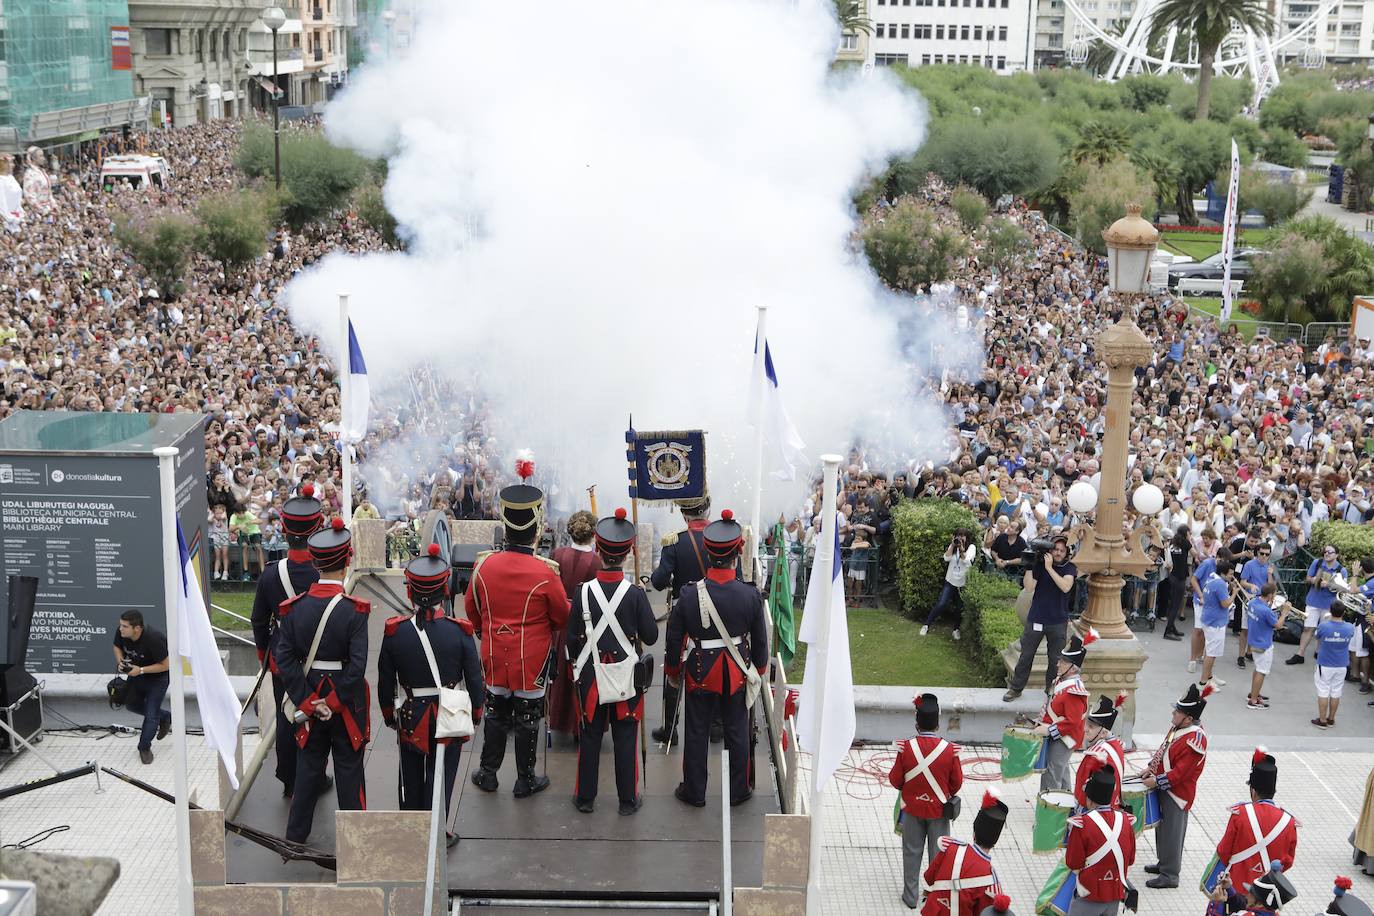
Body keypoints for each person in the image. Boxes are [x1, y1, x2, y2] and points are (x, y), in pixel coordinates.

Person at [466, 484, 571, 797]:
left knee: (496, 712)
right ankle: (525, 779)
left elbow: (472, 609)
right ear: (536, 528)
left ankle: (488, 773)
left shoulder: (483, 565)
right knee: (528, 716)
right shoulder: (546, 573)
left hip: (495, 652)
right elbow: (562, 617)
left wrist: (484, 631)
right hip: (532, 657)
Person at [377, 544, 485, 848]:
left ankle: (413, 830)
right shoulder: (460, 632)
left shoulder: (395, 633)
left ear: (410, 593)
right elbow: (474, 679)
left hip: (412, 714)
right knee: (443, 774)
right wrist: (476, 712)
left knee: (411, 775)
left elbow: (386, 681)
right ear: (446, 591)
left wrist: (389, 714)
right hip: (447, 714)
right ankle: (437, 831)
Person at [273, 518, 371, 844]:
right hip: (344, 702)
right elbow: (357, 666)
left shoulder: (293, 610)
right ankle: (353, 843)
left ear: (316, 563)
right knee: (348, 770)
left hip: (309, 696)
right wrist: (331, 703)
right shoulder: (355, 611)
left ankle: (294, 841)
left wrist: (307, 702)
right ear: (346, 563)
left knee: (308, 770)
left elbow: (284, 659)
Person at [664, 509, 768, 808]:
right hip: (736, 671)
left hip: (699, 671)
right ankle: (739, 791)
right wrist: (757, 670)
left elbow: (674, 639)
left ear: (709, 553)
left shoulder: (688, 594)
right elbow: (760, 642)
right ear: (738, 553)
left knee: (696, 732)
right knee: (737, 730)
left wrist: (673, 670)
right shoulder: (750, 596)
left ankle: (694, 792)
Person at [567, 508, 658, 815]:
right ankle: (627, 801)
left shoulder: (582, 593)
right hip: (625, 675)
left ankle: (585, 798)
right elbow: (652, 635)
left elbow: (571, 638)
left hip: (591, 675)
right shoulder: (635, 594)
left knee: (591, 737)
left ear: (599, 550)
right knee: (625, 737)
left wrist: (576, 671)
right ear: (628, 553)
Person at [249, 484, 323, 798]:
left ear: (284, 529)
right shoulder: (324, 573)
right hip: (321, 656)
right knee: (316, 719)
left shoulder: (270, 575)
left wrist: (265, 655)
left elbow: (258, 620)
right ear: (318, 528)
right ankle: (314, 778)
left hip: (283, 659)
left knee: (285, 716)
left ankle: (290, 779)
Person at [888, 692, 964, 909]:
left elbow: (895, 780)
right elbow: (956, 783)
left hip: (912, 809)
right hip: (939, 811)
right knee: (939, 855)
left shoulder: (906, 748)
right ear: (938, 724)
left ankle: (910, 897)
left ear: (916, 723)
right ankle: (934, 898)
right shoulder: (950, 751)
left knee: (911, 852)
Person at [650, 495, 712, 745]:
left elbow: (659, 581)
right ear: (707, 509)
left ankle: (670, 728)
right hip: (716, 612)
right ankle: (716, 725)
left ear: (684, 513)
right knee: (715, 660)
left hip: (682, 613)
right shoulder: (720, 536)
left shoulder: (675, 541)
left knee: (673, 665)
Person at [1140, 682, 1213, 889]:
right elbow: (1163, 750)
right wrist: (1150, 769)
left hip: (1177, 793)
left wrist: (1157, 780)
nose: (1173, 713)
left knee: (1172, 832)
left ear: (1188, 718)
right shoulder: (1177, 727)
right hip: (1165, 787)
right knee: (1161, 829)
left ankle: (1170, 875)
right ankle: (1164, 863)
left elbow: (1182, 772)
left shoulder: (1196, 739)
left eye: (1178, 711)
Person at [1214, 749, 1298, 896]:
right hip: (1268, 894)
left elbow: (1223, 851)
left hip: (1236, 889)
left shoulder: (1240, 814)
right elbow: (1288, 861)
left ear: (1253, 790)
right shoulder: (1289, 822)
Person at [548, 509, 601, 741]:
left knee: (560, 671)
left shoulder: (557, 554)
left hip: (560, 621)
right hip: (585, 623)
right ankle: (581, 722)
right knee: (582, 673)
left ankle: (558, 718)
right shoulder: (597, 561)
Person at [1003, 536, 1077, 702]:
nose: (1057, 553)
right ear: (1049, 550)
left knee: (1055, 660)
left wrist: (1050, 568)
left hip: (1058, 621)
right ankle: (1015, 689)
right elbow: (1029, 587)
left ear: (1066, 553)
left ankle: (1051, 691)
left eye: (1061, 550)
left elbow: (1065, 587)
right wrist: (1030, 565)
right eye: (1055, 549)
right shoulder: (1040, 565)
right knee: (1026, 655)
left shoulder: (1069, 568)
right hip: (1036, 618)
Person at [919, 790, 1008, 916]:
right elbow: (984, 913)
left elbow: (928, 878)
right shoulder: (990, 880)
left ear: (974, 833)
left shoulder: (950, 847)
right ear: (995, 842)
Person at [1064, 766, 1136, 916]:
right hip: (1115, 895)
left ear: (1089, 799)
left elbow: (1073, 862)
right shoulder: (1125, 820)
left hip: (1088, 894)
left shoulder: (1082, 823)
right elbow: (1130, 859)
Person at [1031, 629, 1093, 793]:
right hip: (1059, 733)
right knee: (1061, 770)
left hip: (1066, 738)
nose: (1058, 664)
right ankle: (1066, 804)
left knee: (1051, 772)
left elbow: (1072, 722)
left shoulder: (1074, 691)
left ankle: (1051, 809)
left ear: (1073, 668)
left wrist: (1049, 730)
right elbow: (1051, 705)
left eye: (1063, 662)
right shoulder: (1061, 680)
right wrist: (1041, 721)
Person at [111, 610, 172, 765]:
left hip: (158, 677)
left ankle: (144, 747)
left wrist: (142, 670)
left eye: (125, 626)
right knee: (131, 704)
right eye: (120, 625)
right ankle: (165, 716)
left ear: (137, 628)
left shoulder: (153, 638)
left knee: (151, 716)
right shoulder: (122, 633)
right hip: (136, 674)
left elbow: (166, 665)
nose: (120, 629)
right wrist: (120, 662)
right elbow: (116, 646)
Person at [1290, 545, 1347, 665]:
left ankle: (1319, 651)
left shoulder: (1341, 570)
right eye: (1325, 551)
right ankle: (1300, 654)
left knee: (1324, 630)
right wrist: (1315, 580)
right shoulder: (1317, 563)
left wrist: (1331, 585)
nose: (1326, 554)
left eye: (1330, 552)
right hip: (1313, 601)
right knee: (1307, 628)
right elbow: (1308, 578)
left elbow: (1344, 589)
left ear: (1336, 555)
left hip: (1329, 605)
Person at [1073, 694, 1126, 811]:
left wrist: (1079, 811)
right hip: (1112, 806)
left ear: (1103, 733)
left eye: (1091, 727)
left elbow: (1085, 787)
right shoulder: (1117, 745)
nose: (1085, 729)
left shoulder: (1096, 756)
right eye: (1087, 724)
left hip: (1092, 810)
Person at [922, 528, 975, 640]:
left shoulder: (971, 547)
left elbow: (968, 562)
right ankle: (926, 625)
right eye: (958, 535)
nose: (960, 538)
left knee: (959, 608)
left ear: (967, 537)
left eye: (963, 536)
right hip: (950, 581)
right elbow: (946, 558)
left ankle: (956, 629)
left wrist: (961, 549)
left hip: (962, 583)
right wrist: (952, 546)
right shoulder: (953, 546)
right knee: (941, 603)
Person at [1312, 602, 1357, 729]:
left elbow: (1317, 637)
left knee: (1323, 691)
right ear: (1344, 613)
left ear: (1330, 611)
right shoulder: (1349, 627)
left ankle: (1322, 720)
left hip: (1325, 663)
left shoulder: (1324, 626)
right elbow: (1350, 635)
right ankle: (1331, 719)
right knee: (1336, 692)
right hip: (1342, 664)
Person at [1199, 558, 1241, 690]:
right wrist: (1234, 593)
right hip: (1215, 623)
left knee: (1209, 651)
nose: (1232, 576)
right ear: (1223, 573)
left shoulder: (1212, 577)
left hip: (1208, 619)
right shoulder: (1220, 584)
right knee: (1211, 654)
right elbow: (1225, 604)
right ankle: (1204, 682)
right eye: (1230, 574)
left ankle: (1209, 676)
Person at [1245, 583, 1286, 710]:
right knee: (1261, 672)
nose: (1275, 596)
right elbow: (1278, 625)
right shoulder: (1266, 611)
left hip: (1253, 641)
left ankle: (1254, 693)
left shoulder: (1252, 603)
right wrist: (1285, 613)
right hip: (1264, 644)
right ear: (1269, 595)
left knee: (1257, 668)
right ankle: (1253, 701)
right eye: (1274, 594)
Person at [1237, 541, 1275, 669]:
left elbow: (1271, 587)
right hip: (1251, 599)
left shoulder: (1270, 566)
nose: (1264, 556)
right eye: (1262, 553)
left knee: (1255, 629)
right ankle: (1241, 656)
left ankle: (1249, 652)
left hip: (1263, 601)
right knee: (1245, 629)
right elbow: (1242, 582)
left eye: (1267, 554)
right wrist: (1251, 585)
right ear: (1257, 553)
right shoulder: (1249, 564)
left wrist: (1270, 574)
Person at [1206, 865, 1297, 916]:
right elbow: (1242, 904)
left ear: (1260, 904)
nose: (1246, 894)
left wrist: (1216, 902)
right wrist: (1228, 888)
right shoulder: (1269, 913)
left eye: (1251, 893)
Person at [1162, 525, 1192, 641]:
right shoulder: (1185, 543)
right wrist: (1190, 540)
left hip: (1173, 575)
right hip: (1180, 577)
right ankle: (1168, 631)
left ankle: (1172, 627)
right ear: (1186, 533)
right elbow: (1194, 554)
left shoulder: (1173, 543)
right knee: (1176, 604)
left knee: (1173, 603)